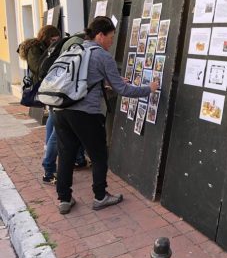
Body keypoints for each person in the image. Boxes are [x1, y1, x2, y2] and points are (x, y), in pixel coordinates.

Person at [53, 17, 159, 214]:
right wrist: (149, 89)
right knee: (99, 155)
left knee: (66, 155)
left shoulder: (75, 48)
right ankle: (100, 197)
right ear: (100, 35)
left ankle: (64, 199)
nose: (112, 41)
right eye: (111, 37)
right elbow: (123, 90)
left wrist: (108, 82)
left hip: (62, 110)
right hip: (86, 114)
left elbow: (84, 80)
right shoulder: (102, 56)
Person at [18, 25, 64, 184]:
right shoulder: (34, 49)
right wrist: (51, 55)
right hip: (44, 88)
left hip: (51, 87)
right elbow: (39, 68)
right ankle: (49, 163)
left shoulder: (44, 47)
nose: (55, 42)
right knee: (55, 120)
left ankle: (49, 151)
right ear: (46, 37)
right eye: (53, 39)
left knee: (53, 117)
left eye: (57, 40)